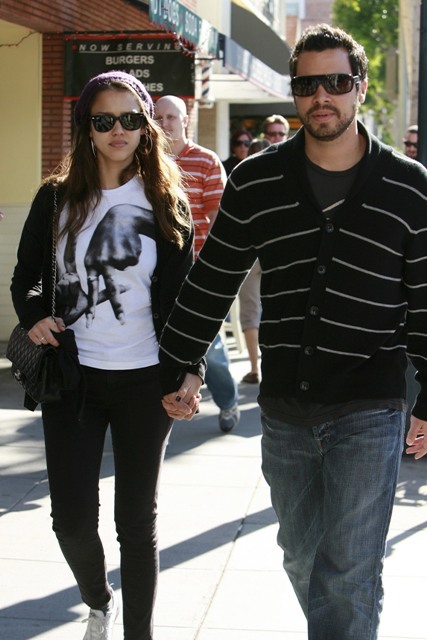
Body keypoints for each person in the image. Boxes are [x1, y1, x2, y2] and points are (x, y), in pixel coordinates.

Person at [158, 24, 427, 639]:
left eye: (336, 82)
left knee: (348, 571)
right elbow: (213, 278)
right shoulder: (256, 180)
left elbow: (426, 300)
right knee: (302, 557)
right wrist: (184, 363)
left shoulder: (409, 186)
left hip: (370, 403)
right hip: (284, 408)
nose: (320, 96)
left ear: (359, 88)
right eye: (307, 85)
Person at [10, 71, 198, 640]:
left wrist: (190, 370)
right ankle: (98, 601)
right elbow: (27, 279)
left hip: (147, 380)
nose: (118, 130)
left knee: (136, 523)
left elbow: (184, 299)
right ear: (86, 128)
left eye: (130, 119)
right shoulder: (56, 198)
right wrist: (34, 314)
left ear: (146, 127)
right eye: (104, 119)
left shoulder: (165, 202)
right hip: (74, 379)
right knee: (70, 519)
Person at [154, 95, 240, 433]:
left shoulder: (206, 162)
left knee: (209, 348)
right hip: (155, 275)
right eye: (158, 117)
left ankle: (228, 401)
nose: (165, 123)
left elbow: (220, 221)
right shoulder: (143, 162)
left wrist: (213, 273)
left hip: (197, 274)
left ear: (185, 119)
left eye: (171, 117)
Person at [239, 137, 270, 384]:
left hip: (250, 253)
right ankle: (263, 367)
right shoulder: (286, 182)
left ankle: (254, 367)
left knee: (250, 311)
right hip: (271, 252)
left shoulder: (244, 181)